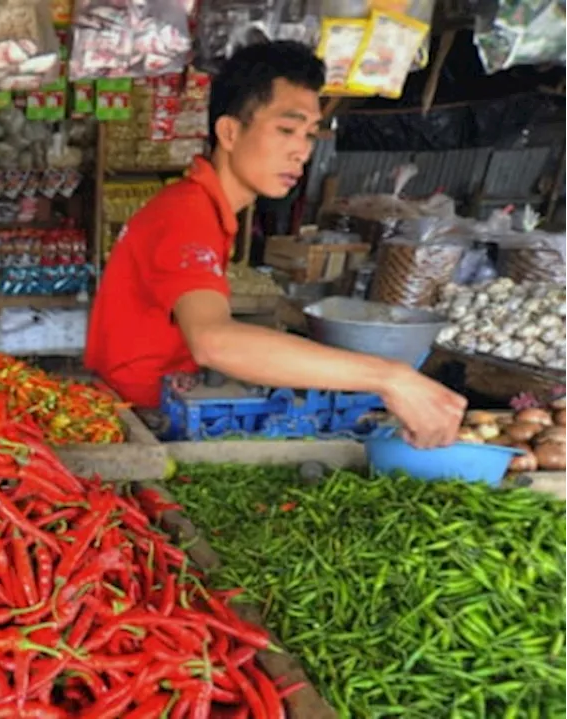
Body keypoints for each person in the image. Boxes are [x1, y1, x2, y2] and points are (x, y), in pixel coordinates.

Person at [85, 40, 466, 449]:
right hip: (137, 425)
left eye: (308, 134)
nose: (301, 151)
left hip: (155, 410)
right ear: (230, 132)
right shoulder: (185, 215)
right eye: (286, 129)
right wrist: (389, 376)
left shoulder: (206, 210)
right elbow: (214, 342)